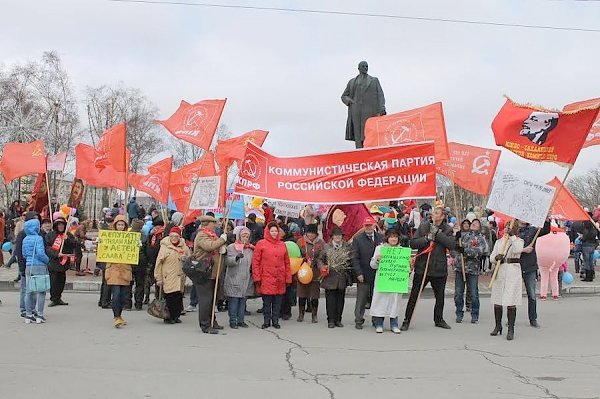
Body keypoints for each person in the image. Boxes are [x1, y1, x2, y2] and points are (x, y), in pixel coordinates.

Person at [401, 207, 456, 331]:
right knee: (414, 294)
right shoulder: (424, 226)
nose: (433, 214)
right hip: (423, 266)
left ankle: (439, 319)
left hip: (439, 268)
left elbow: (451, 245)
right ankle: (407, 320)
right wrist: (426, 238)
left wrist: (438, 234)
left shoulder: (447, 229)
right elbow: (413, 243)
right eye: (433, 212)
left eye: (436, 213)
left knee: (440, 297)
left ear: (442, 216)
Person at [192, 215, 228, 334]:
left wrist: (223, 248)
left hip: (213, 272)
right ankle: (205, 325)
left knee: (212, 299)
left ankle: (212, 321)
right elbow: (210, 246)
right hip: (204, 272)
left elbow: (216, 247)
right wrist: (222, 240)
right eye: (214, 223)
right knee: (205, 300)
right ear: (207, 224)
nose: (216, 225)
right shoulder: (202, 235)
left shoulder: (211, 235)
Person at [490, 221, 524, 341]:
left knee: (511, 300)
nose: (506, 230)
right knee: (497, 299)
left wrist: (512, 237)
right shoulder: (499, 242)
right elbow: (492, 257)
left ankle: (511, 328)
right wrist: (495, 258)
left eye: (509, 228)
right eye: (506, 227)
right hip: (500, 271)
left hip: (512, 272)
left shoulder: (518, 241)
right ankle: (498, 325)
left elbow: (518, 250)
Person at [253, 222, 291, 329]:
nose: (274, 233)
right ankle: (266, 321)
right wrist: (257, 277)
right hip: (266, 277)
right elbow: (256, 262)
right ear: (268, 232)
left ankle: (275, 321)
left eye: (276, 231)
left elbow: (287, 262)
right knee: (267, 302)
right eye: (272, 231)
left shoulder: (282, 244)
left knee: (277, 302)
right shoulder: (261, 243)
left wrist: (288, 278)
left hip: (279, 277)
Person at [341, 60, 386, 148]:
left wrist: (382, 108)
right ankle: (359, 151)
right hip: (356, 111)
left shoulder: (374, 80)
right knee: (358, 134)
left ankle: (370, 150)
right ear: (359, 68)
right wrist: (349, 101)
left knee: (369, 132)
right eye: (363, 66)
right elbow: (344, 96)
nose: (365, 68)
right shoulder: (352, 82)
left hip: (370, 111)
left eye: (366, 66)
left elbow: (380, 95)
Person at [369, 229, 407, 334]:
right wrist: (377, 259)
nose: (393, 239)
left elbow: (405, 270)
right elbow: (372, 265)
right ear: (387, 238)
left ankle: (394, 324)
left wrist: (408, 266)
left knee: (394, 302)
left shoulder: (402, 251)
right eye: (391, 237)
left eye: (395, 237)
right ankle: (379, 323)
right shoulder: (380, 249)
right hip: (383, 281)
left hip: (396, 283)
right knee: (381, 302)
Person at [352, 217, 384, 329]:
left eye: (370, 225)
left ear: (374, 225)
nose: (368, 227)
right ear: (363, 226)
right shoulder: (358, 239)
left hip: (379, 273)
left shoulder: (381, 237)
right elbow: (354, 258)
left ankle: (376, 320)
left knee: (377, 298)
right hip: (364, 273)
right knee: (361, 298)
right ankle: (358, 320)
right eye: (366, 225)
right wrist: (358, 273)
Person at [318, 227, 353, 328]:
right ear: (332, 237)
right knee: (330, 300)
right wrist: (322, 267)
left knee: (340, 300)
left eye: (339, 235)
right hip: (330, 277)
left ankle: (338, 319)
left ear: (342, 237)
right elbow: (320, 259)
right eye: (336, 235)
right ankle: (331, 320)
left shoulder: (347, 247)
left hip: (342, 277)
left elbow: (350, 259)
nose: (338, 237)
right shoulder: (326, 247)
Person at [519, 219, 550, 328]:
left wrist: (546, 219)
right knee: (513, 294)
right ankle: (511, 317)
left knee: (531, 295)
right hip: (516, 266)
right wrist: (523, 250)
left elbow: (546, 230)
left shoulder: (533, 230)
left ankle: (533, 318)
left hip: (530, 266)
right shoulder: (514, 231)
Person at [454, 219, 487, 324]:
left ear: (479, 227)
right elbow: (455, 248)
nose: (473, 223)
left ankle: (475, 314)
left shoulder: (480, 238)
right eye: (473, 222)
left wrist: (466, 251)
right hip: (460, 268)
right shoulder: (463, 235)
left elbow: (479, 251)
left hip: (472, 269)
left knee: (473, 293)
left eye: (476, 223)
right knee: (458, 293)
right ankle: (459, 313)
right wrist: (456, 240)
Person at [155, 226, 189, 324]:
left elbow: (190, 258)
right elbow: (158, 263)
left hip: (180, 276)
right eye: (172, 236)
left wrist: (185, 258)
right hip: (168, 275)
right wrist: (158, 277)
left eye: (176, 236)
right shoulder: (164, 247)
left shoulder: (184, 246)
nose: (174, 238)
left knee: (178, 297)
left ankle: (176, 315)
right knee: (170, 297)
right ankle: (168, 316)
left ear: (179, 237)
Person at [104, 215, 133, 328]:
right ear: (115, 226)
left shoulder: (129, 237)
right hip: (113, 269)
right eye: (118, 224)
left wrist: (136, 246)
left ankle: (119, 315)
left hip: (125, 270)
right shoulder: (110, 237)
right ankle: (116, 317)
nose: (120, 227)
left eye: (122, 225)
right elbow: (103, 251)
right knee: (115, 295)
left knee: (123, 296)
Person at [223, 227, 255, 328]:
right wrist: (236, 258)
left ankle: (241, 320)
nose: (245, 237)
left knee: (243, 301)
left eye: (247, 236)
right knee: (234, 300)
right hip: (234, 277)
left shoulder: (250, 249)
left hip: (246, 279)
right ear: (239, 236)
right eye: (243, 236)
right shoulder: (232, 247)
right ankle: (233, 320)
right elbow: (227, 261)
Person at [21, 217, 50, 324]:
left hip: (29, 266)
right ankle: (40, 315)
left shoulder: (25, 239)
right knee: (41, 291)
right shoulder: (38, 238)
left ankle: (28, 315)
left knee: (29, 291)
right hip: (39, 266)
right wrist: (47, 260)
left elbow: (24, 254)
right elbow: (40, 253)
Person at [45, 216, 77, 307]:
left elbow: (74, 245)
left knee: (61, 281)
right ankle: (54, 298)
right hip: (53, 262)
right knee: (54, 281)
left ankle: (58, 297)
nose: (60, 227)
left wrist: (67, 239)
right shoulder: (50, 235)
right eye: (59, 225)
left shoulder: (68, 235)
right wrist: (56, 254)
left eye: (62, 225)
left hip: (63, 263)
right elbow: (47, 248)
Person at [296, 224, 325, 323]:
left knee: (314, 294)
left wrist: (315, 262)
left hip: (315, 271)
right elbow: (297, 255)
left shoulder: (321, 243)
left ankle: (314, 315)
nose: (311, 235)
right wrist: (304, 260)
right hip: (303, 271)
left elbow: (322, 256)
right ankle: (301, 314)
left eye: (313, 233)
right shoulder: (300, 242)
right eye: (309, 233)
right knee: (302, 293)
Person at [128, 219, 148, 310]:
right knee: (140, 284)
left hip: (129, 262)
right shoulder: (144, 236)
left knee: (128, 283)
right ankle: (138, 303)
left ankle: (127, 303)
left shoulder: (126, 236)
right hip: (141, 262)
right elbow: (148, 251)